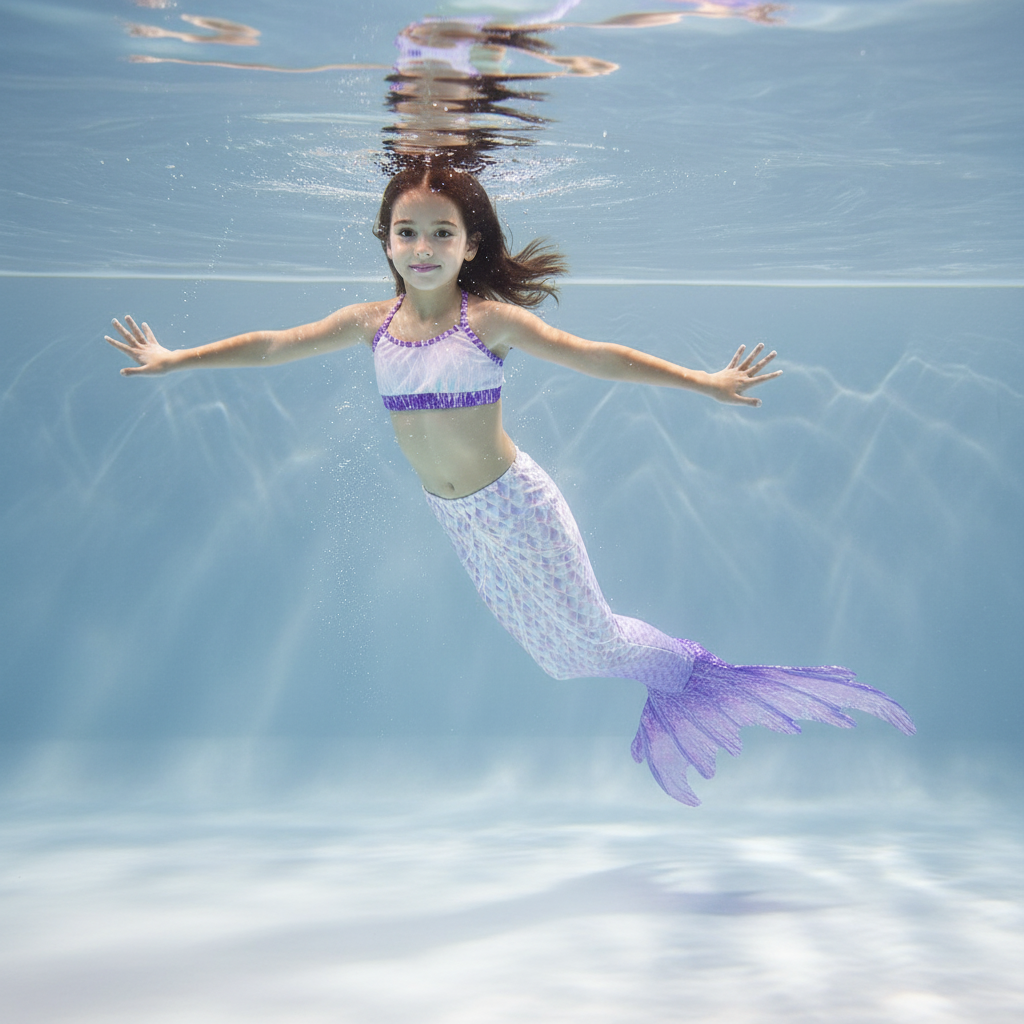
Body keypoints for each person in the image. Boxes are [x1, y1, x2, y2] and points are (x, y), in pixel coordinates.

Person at [106, 163, 915, 805]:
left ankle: (692, 671)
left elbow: (596, 355)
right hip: (457, 520)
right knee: (558, 661)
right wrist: (176, 359)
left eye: (441, 233)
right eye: (407, 231)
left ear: (468, 243)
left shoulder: (485, 321)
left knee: (589, 636)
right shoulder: (370, 324)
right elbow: (272, 346)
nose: (422, 246)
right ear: (384, 240)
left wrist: (701, 382)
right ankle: (671, 675)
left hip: (517, 507)